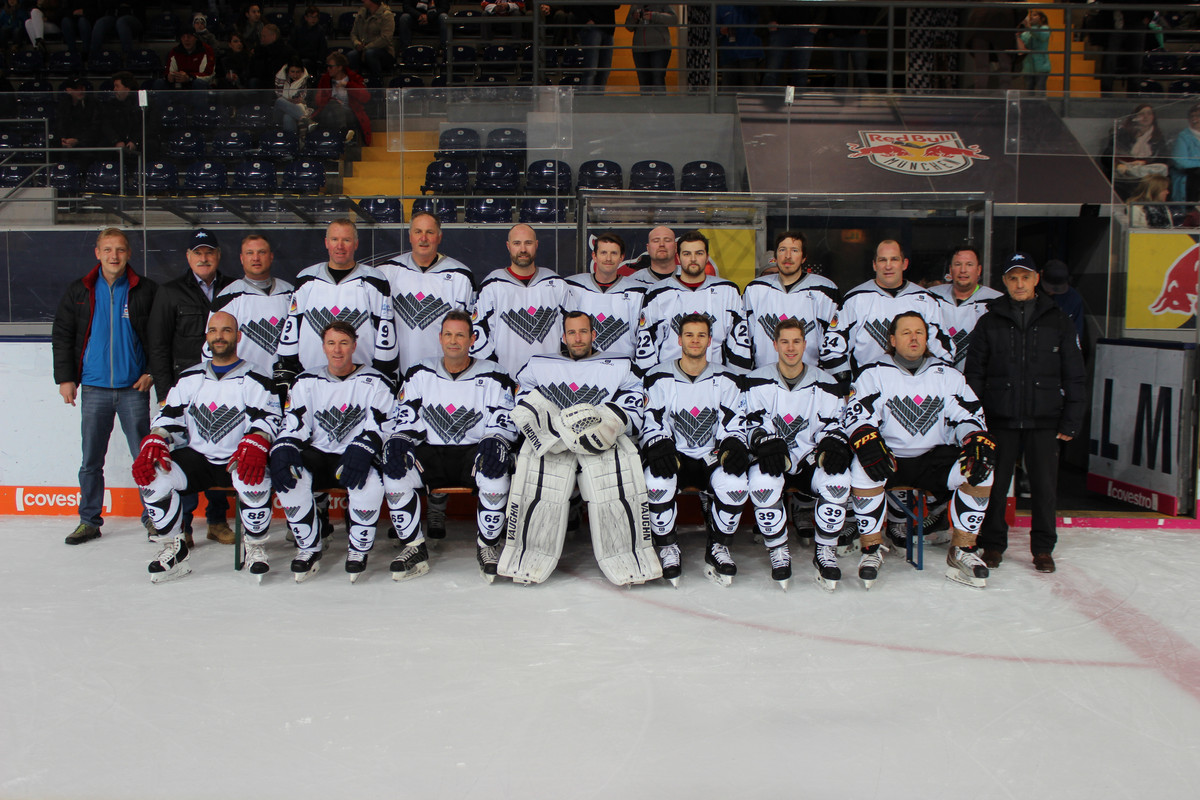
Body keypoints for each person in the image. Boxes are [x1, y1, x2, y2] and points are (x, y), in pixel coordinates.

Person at [500, 311, 658, 586]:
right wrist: (547, 427)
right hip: (554, 441)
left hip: (601, 442)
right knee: (536, 491)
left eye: (583, 332)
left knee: (618, 491)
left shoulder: (618, 364)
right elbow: (519, 394)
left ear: (594, 335)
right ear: (563, 336)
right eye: (572, 332)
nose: (578, 338)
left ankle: (632, 557)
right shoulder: (540, 364)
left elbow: (637, 395)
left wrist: (612, 421)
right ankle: (524, 557)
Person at [843, 311, 997, 589]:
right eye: (906, 332)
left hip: (934, 460)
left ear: (927, 339)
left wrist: (973, 436)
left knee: (980, 469)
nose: (913, 338)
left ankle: (963, 548)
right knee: (861, 466)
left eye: (919, 333)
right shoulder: (873, 374)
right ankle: (871, 549)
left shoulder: (948, 376)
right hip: (890, 459)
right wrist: (865, 437)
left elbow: (968, 416)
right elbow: (858, 416)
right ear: (892, 339)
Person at [133, 311, 281, 583]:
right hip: (198, 458)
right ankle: (173, 549)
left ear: (237, 336)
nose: (219, 336)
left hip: (238, 456)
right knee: (153, 473)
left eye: (226, 331)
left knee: (255, 473)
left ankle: (255, 547)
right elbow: (170, 415)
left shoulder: (256, 376)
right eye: (213, 331)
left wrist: (259, 438)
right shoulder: (190, 377)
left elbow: (270, 417)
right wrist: (157, 436)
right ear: (207, 338)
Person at [965, 253, 1086, 574]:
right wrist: (977, 421)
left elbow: (1074, 373)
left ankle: (1043, 548)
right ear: (1004, 282)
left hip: (1044, 420)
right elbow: (974, 374)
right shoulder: (990, 321)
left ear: (1037, 279)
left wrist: (1071, 420)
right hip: (998, 420)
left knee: (1045, 488)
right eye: (1012, 278)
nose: (1019, 284)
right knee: (994, 484)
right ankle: (992, 545)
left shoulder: (1058, 320)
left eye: (1025, 277)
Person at [383, 311, 518, 582]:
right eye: (448, 334)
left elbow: (505, 419)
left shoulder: (495, 374)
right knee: (395, 470)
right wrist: (400, 438)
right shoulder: (420, 371)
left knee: (495, 469)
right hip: (431, 452)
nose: (453, 341)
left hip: (473, 451)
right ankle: (414, 546)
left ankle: (488, 546)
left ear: (472, 339)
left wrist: (497, 439)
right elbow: (406, 415)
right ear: (440, 337)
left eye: (460, 335)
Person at [52, 227, 157, 545]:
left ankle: (154, 517)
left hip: (133, 390)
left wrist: (151, 370)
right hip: (94, 389)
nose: (114, 256)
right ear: (97, 253)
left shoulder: (145, 290)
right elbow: (63, 336)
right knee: (91, 460)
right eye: (108, 249)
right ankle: (89, 520)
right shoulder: (79, 291)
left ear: (129, 253)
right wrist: (66, 378)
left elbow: (160, 334)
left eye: (121, 250)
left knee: (145, 459)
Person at [269, 320, 394, 582]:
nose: (337, 350)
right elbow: (295, 425)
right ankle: (308, 548)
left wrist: (364, 447)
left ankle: (358, 550)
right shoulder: (306, 381)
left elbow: (382, 425)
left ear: (354, 345)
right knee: (290, 476)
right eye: (331, 343)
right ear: (323, 346)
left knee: (370, 482)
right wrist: (284, 445)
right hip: (319, 453)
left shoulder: (375, 381)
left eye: (344, 343)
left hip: (357, 454)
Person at [744, 317, 852, 591]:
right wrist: (761, 441)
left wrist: (832, 443)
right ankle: (778, 551)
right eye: (784, 342)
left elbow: (835, 423)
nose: (790, 348)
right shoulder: (755, 380)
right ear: (775, 344)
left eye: (796, 342)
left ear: (805, 344)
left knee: (839, 483)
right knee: (762, 486)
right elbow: (746, 422)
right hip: (771, 458)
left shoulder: (826, 382)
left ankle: (825, 551)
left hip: (809, 457)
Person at [642, 313, 749, 587]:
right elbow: (651, 419)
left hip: (709, 456)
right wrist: (658, 442)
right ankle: (667, 547)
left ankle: (718, 546)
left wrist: (733, 442)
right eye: (689, 334)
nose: (695, 340)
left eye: (701, 335)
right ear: (679, 339)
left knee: (736, 485)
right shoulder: (658, 377)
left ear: (710, 340)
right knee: (654, 483)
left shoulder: (727, 378)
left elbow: (735, 420)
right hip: (675, 456)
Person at [147, 228, 235, 545]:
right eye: (198, 253)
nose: (204, 258)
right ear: (188, 257)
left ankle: (216, 521)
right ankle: (183, 525)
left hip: (222, 391)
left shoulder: (232, 289)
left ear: (218, 255)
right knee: (183, 455)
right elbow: (158, 346)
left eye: (209, 252)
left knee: (217, 452)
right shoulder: (170, 292)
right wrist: (164, 395)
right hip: (184, 395)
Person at [275, 218, 398, 391]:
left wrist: (383, 376)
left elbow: (385, 333)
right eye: (334, 239)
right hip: (312, 380)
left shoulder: (374, 280)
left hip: (361, 382)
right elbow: (293, 327)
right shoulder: (306, 279)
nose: (340, 246)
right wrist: (289, 368)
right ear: (326, 243)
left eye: (346, 240)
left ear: (355, 244)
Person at [824, 239, 952, 384]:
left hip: (914, 390)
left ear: (904, 264)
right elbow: (832, 349)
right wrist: (845, 386)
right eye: (882, 260)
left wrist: (932, 384)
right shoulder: (855, 299)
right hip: (868, 389)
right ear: (874, 265)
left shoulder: (926, 300)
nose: (888, 266)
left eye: (894, 259)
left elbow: (943, 351)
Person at [635, 230, 752, 372]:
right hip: (668, 380)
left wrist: (737, 381)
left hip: (715, 380)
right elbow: (647, 345)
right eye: (687, 254)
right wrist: (650, 381)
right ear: (678, 257)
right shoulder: (657, 293)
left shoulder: (727, 291)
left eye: (699, 253)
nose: (693, 259)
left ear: (707, 256)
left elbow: (739, 344)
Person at [378, 211, 477, 376]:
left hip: (443, 375)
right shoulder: (386, 272)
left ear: (439, 237)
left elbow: (467, 332)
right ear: (410, 236)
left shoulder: (460, 276)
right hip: (396, 373)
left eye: (429, 232)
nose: (423, 238)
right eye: (418, 232)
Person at [471, 223, 570, 376]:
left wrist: (563, 367)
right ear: (508, 246)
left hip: (550, 379)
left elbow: (572, 331)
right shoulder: (492, 285)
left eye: (528, 243)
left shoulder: (556, 284)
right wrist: (494, 372)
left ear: (536, 245)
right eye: (517, 243)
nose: (523, 249)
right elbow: (478, 332)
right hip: (505, 379)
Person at [742, 230, 839, 370]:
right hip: (763, 379)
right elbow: (744, 339)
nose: (788, 256)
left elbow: (834, 340)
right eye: (782, 250)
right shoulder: (755, 289)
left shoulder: (825, 290)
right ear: (776, 256)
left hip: (810, 380)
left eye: (794, 250)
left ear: (804, 257)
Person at [210, 234, 295, 380]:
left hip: (284, 382)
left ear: (271, 256)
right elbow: (212, 347)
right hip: (242, 382)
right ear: (242, 258)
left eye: (261, 252)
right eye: (250, 253)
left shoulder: (291, 293)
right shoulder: (227, 297)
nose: (256, 258)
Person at [565, 231, 646, 357]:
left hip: (623, 367)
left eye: (614, 253)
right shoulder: (572, 286)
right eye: (603, 253)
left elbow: (643, 335)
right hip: (584, 367)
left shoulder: (639, 291)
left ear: (621, 257)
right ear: (594, 256)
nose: (608, 258)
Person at [927, 244, 1003, 371]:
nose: (963, 270)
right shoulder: (931, 297)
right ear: (950, 270)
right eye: (958, 264)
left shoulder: (996, 301)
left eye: (969, 264)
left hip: (978, 380)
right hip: (937, 380)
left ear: (978, 270)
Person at [1108, 104, 1169, 199]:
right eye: (1141, 114)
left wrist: (1144, 163)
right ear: (1134, 117)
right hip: (1126, 173)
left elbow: (1163, 159)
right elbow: (1108, 155)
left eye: (1149, 114)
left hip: (1148, 176)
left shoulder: (1159, 137)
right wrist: (1119, 165)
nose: (1145, 117)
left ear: (1153, 117)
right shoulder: (1123, 134)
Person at [761, 1, 824, 88]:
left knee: (801, 72)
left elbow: (822, 5)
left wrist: (817, 23)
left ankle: (798, 99)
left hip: (805, 29)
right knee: (772, 70)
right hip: (781, 27)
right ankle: (769, 98)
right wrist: (770, 20)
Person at [313, 51, 372, 144]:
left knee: (331, 115)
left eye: (331, 66)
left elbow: (365, 97)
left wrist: (347, 85)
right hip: (328, 111)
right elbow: (318, 101)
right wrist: (332, 100)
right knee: (333, 105)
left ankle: (331, 142)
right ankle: (344, 132)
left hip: (349, 112)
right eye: (327, 66)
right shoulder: (325, 80)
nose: (328, 69)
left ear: (340, 67)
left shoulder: (353, 78)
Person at [624, 4, 676, 93]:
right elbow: (629, 26)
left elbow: (674, 19)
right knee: (644, 84)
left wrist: (654, 16)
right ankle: (645, 106)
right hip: (639, 49)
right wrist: (634, 18)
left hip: (659, 48)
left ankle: (659, 106)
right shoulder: (635, 4)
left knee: (658, 80)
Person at [155, 28, 216, 96]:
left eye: (189, 37)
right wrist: (170, 77)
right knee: (159, 83)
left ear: (196, 38)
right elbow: (169, 72)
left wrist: (189, 77)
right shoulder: (175, 51)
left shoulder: (206, 50)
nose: (186, 39)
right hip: (180, 83)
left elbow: (208, 74)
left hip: (198, 84)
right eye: (183, 37)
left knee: (198, 83)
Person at [348, 0, 395, 86]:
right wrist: (357, 43)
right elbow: (353, 33)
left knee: (370, 53)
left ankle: (378, 83)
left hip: (383, 52)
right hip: (363, 49)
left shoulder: (386, 15)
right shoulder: (361, 13)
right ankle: (357, 84)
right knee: (352, 55)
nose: (362, 0)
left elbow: (385, 38)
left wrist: (367, 47)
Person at [1039, 258, 1085, 341]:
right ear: (1041, 274)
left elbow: (1076, 332)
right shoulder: (1029, 293)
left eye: (1057, 289)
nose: (1052, 292)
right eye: (1049, 287)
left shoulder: (1073, 299)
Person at [574, 3, 618, 89]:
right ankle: (587, 100)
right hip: (591, 28)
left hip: (608, 28)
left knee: (604, 71)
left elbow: (617, 5)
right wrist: (586, 19)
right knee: (591, 71)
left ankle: (598, 101)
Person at [99, 71, 139, 155]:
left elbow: (147, 126)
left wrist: (134, 141)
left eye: (117, 86)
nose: (114, 89)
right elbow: (106, 125)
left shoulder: (141, 105)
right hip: (117, 141)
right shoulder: (111, 105)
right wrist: (116, 141)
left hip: (138, 141)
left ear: (127, 89)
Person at [246, 22, 295, 90]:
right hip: (263, 80)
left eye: (264, 36)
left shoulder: (286, 51)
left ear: (273, 36)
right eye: (261, 36)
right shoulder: (259, 51)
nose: (262, 39)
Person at [56, 77, 96, 157]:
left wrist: (77, 140)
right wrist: (63, 139)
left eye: (82, 88)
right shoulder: (63, 105)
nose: (80, 91)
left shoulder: (93, 104)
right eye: (76, 89)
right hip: (67, 145)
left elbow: (95, 127)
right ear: (68, 90)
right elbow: (60, 124)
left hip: (87, 145)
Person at [1171, 104, 1200, 203]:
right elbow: (1180, 162)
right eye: (1192, 116)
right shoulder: (1183, 136)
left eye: (1198, 116)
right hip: (1190, 177)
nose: (1195, 119)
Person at [1016, 9, 1050, 92]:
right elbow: (1021, 45)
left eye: (1035, 15)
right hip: (1028, 66)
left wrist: (1029, 27)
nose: (1031, 17)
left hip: (1041, 65)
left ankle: (1041, 105)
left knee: (1040, 90)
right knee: (1028, 91)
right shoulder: (1026, 32)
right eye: (1031, 15)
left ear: (1042, 18)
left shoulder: (1045, 28)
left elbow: (1042, 36)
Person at [272, 59, 311, 132]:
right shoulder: (280, 79)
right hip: (279, 112)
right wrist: (289, 101)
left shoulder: (306, 81)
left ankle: (291, 141)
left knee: (288, 117)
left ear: (302, 72)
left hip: (297, 111)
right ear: (288, 71)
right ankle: (307, 121)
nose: (295, 75)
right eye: (292, 72)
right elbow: (277, 99)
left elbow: (309, 101)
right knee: (280, 100)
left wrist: (302, 101)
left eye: (298, 72)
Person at [289, 5, 328, 77]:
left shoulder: (320, 31)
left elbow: (323, 48)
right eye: (311, 17)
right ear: (306, 17)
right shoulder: (298, 30)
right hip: (299, 57)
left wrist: (320, 61)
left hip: (313, 59)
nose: (313, 19)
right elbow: (292, 45)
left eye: (315, 17)